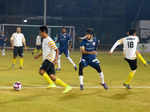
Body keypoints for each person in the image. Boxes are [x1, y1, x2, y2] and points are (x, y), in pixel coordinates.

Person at [34, 26, 72, 93]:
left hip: (49, 60)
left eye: (40, 32)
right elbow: (45, 50)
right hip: (48, 60)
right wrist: (38, 56)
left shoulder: (49, 40)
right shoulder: (44, 40)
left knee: (41, 71)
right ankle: (67, 86)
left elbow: (56, 50)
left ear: (44, 32)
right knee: (52, 76)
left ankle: (51, 84)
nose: (40, 33)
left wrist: (56, 59)